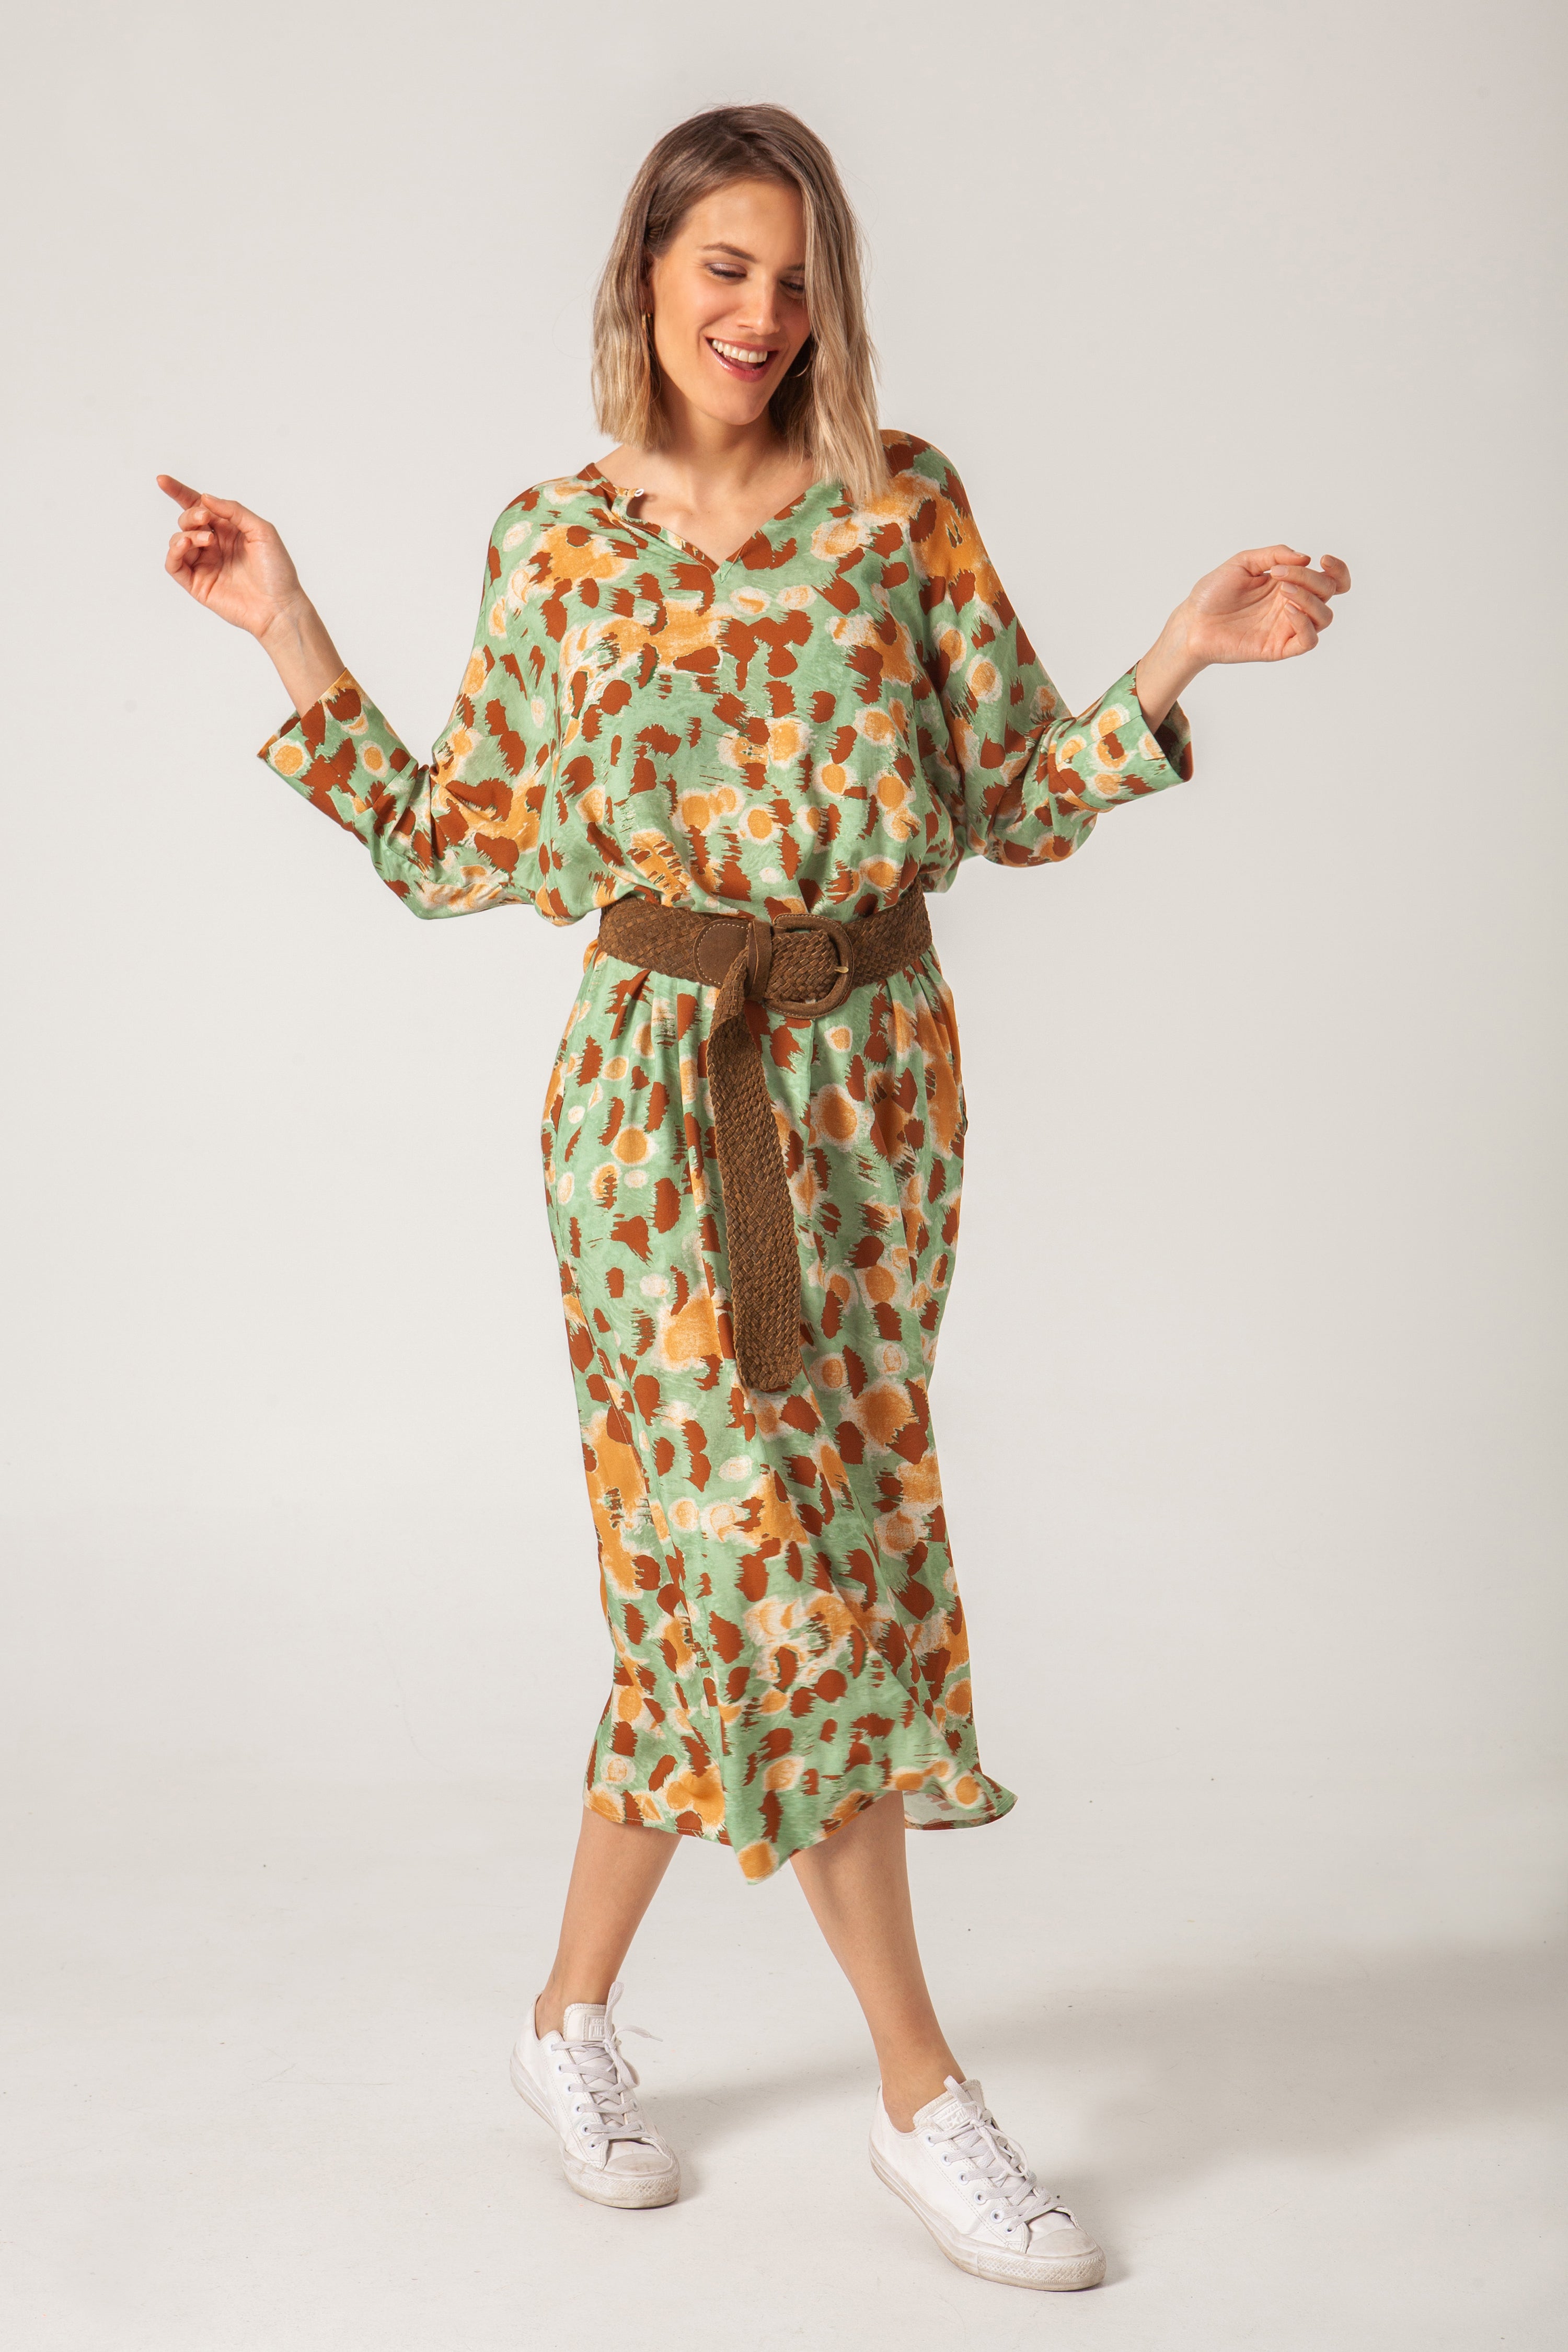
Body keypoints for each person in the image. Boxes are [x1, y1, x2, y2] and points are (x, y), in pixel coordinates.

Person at [157, 101, 1350, 2293]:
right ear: (647, 274)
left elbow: (1010, 795)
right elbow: (455, 847)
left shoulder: (904, 507)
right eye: (724, 266)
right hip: (653, 1122)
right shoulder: (556, 545)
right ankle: (924, 2092)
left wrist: (1183, 650)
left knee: (746, 1568)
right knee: (782, 1578)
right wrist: (284, 620)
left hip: (880, 1102)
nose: (762, 312)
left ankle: (565, 2018)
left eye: (796, 278)